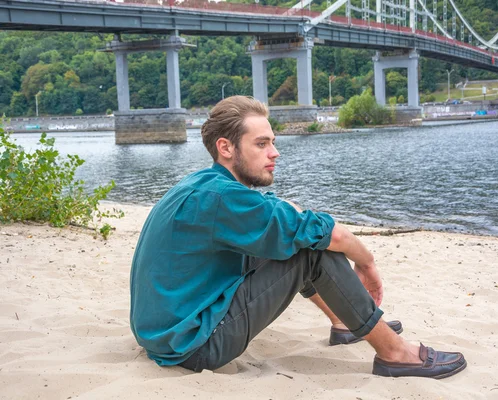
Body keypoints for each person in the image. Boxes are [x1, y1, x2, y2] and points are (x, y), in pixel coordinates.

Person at [130, 96, 467, 379]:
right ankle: (395, 353)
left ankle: (342, 321)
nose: (274, 152)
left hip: (166, 334)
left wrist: (292, 217)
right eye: (261, 144)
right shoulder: (223, 198)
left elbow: (278, 216)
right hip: (194, 345)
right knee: (311, 251)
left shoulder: (204, 185)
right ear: (226, 147)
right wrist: (367, 263)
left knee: (291, 238)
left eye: (273, 141)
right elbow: (331, 234)